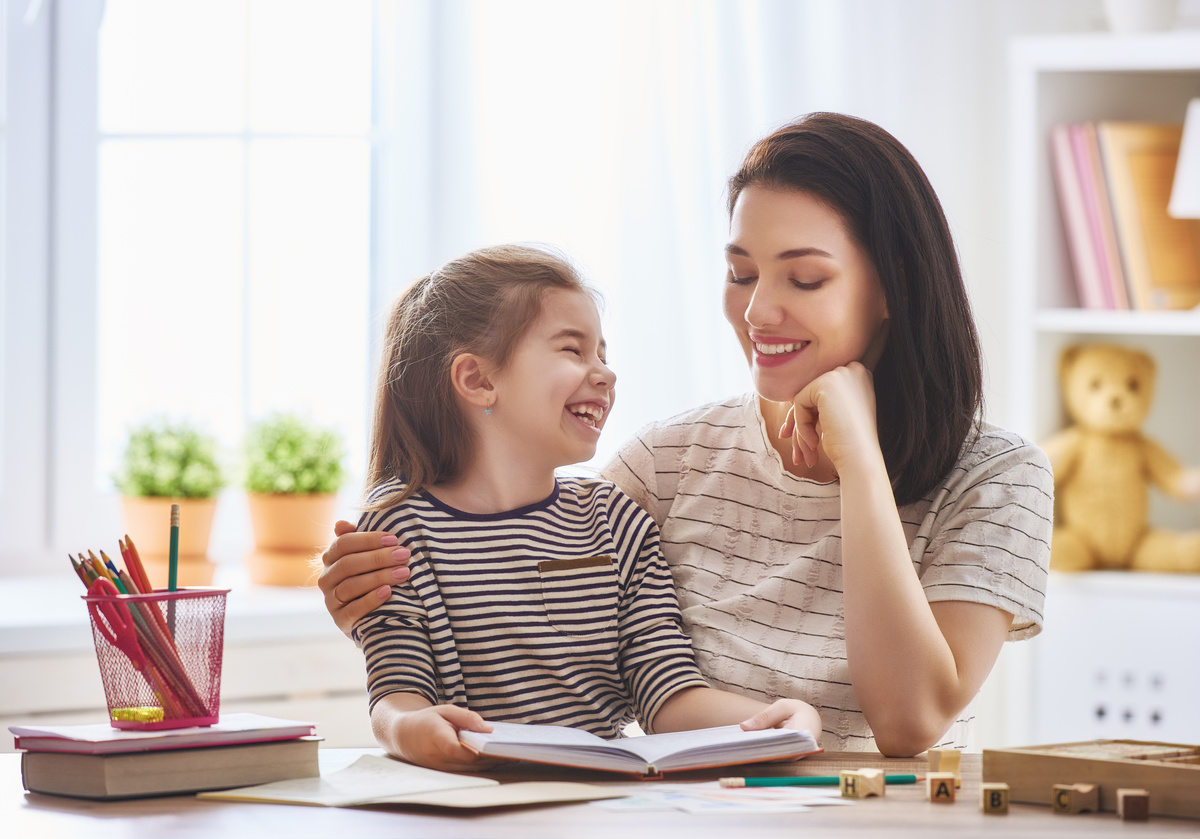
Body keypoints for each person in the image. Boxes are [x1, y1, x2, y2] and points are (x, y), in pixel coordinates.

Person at [320, 114, 1053, 757]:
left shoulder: (996, 477)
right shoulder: (663, 466)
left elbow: (908, 718)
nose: (758, 311)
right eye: (740, 273)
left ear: (892, 284)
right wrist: (372, 602)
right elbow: (512, 587)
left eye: (803, 279)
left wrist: (858, 457)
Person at [348, 243, 820, 771]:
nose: (604, 373)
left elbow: (666, 693)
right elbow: (396, 692)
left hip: (601, 800)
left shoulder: (616, 521)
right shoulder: (398, 531)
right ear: (479, 380)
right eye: (573, 351)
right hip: (469, 799)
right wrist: (412, 730)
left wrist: (771, 720)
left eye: (603, 355)